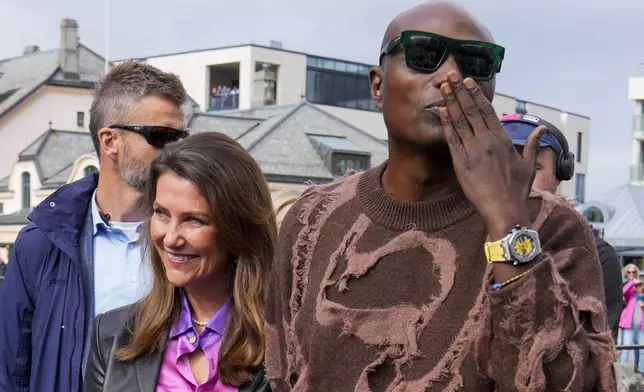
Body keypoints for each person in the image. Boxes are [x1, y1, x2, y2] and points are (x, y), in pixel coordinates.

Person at [264, 1, 616, 391]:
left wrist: (507, 224)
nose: (451, 76)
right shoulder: (313, 218)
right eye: (425, 55)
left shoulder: (551, 225)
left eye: (476, 63)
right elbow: (284, 372)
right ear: (377, 86)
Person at [0, 60, 188, 392]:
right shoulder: (40, 244)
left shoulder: (194, 242)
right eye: (161, 137)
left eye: (182, 138)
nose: (175, 151)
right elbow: (12, 371)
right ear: (110, 141)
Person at [83, 132, 275, 391]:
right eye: (161, 214)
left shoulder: (287, 341)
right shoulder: (111, 335)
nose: (170, 238)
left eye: (193, 219)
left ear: (238, 228)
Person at [501, 113, 625, 344]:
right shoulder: (462, 240)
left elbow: (592, 357)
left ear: (561, 174)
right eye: (504, 165)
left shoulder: (596, 255)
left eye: (532, 166)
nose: (517, 177)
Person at [620, 264, 643, 371]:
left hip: (641, 326)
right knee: (626, 347)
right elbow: (623, 292)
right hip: (629, 325)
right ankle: (622, 370)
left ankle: (640, 370)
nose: (632, 274)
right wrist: (632, 282)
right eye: (629, 272)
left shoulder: (641, 292)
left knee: (641, 349)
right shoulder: (630, 291)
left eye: (634, 272)